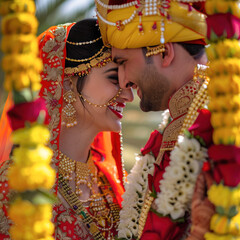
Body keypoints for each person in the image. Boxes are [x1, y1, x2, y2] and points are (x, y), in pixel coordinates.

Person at [0, 19, 133, 239]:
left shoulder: (110, 179)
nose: (128, 95)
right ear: (68, 82)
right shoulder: (17, 184)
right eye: (113, 78)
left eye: (128, 83)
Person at [95, 1, 216, 239]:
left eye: (123, 63)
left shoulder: (226, 120)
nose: (122, 83)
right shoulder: (177, 121)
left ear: (164, 52)